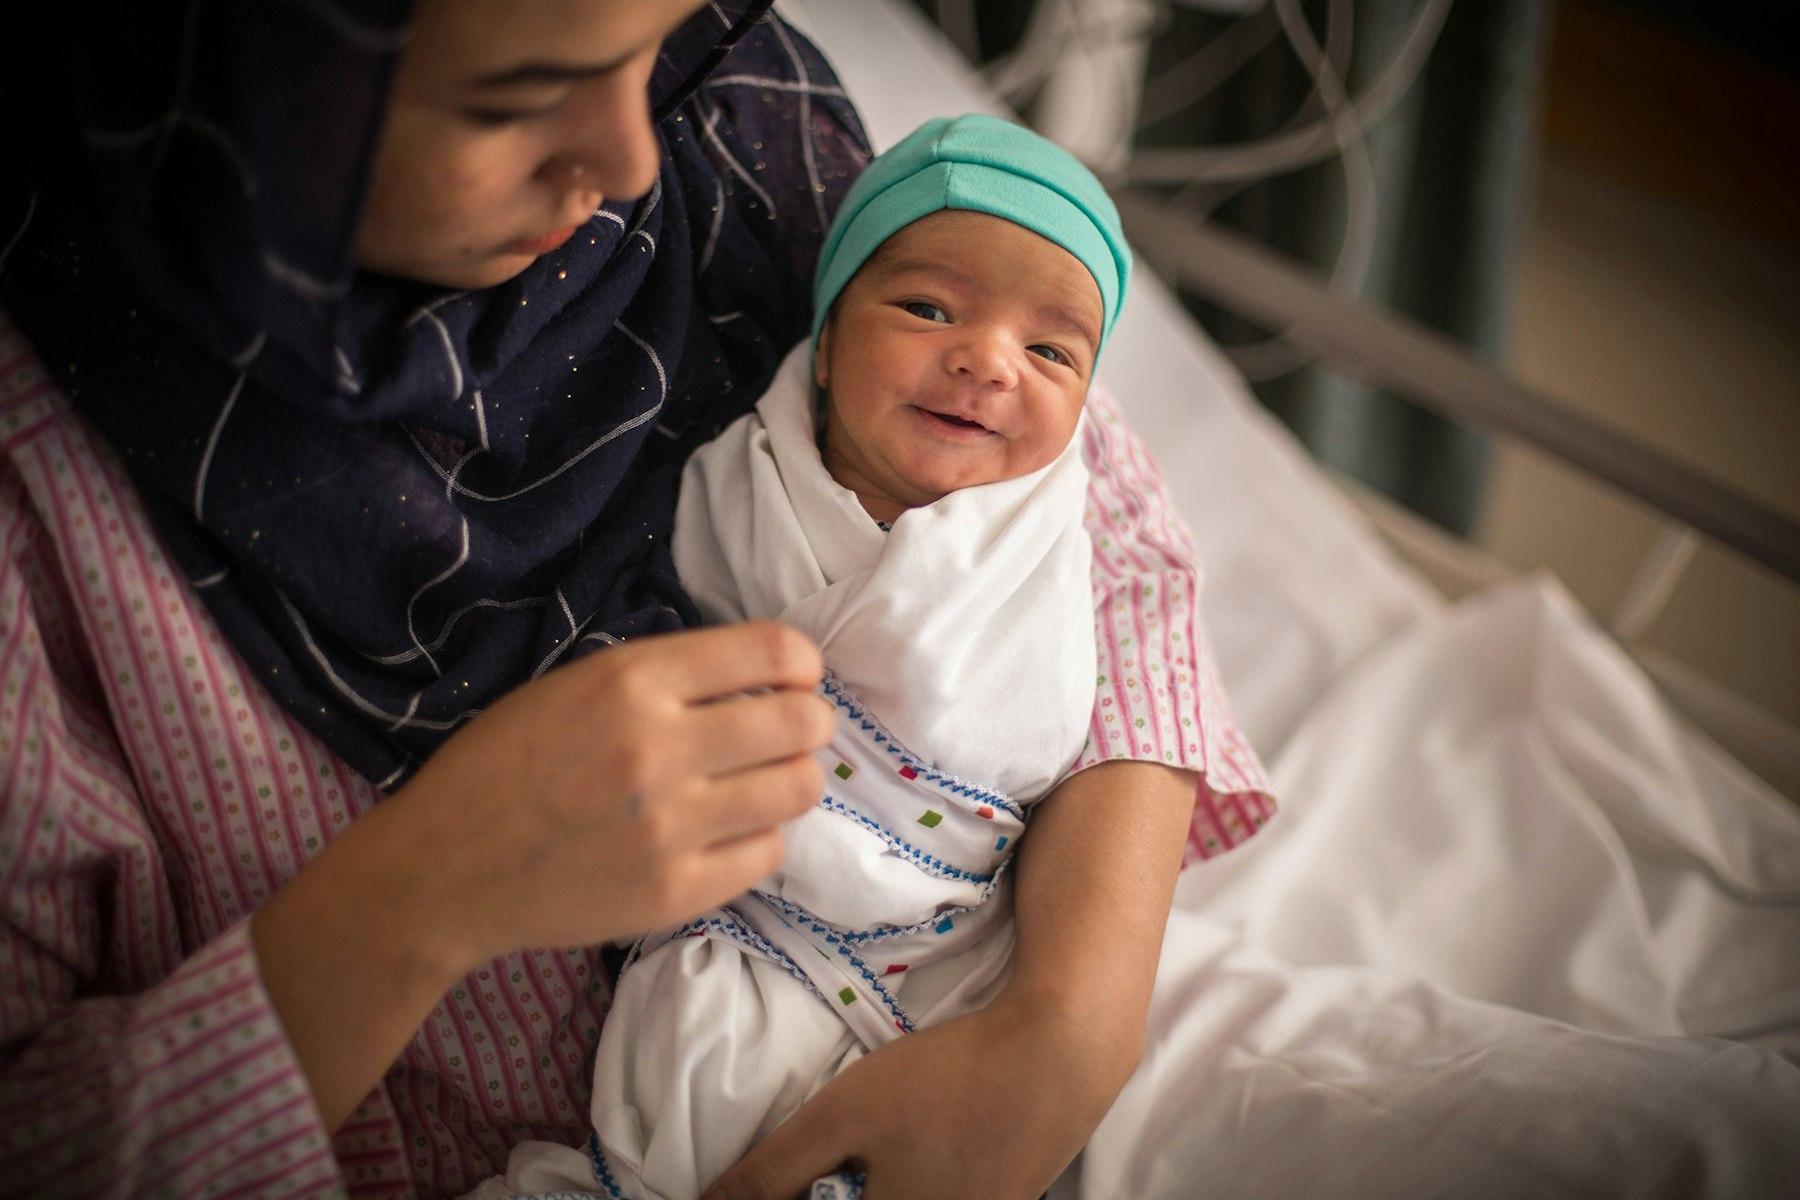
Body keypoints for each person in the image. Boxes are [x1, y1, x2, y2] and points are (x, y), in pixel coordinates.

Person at [0, 2, 1269, 1197]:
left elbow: (1069, 501)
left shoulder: (735, 119)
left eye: (655, 39)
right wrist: (425, 893)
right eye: (519, 97)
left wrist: (1069, 1025)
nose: (626, 158)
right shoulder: (36, 509)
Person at [472, 112, 1133, 1200]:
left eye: (1050, 349)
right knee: (699, 1080)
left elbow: (1031, 732)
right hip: (742, 920)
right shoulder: (737, 477)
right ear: (824, 341)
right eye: (928, 308)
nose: (985, 361)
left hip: (952, 944)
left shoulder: (1051, 544)